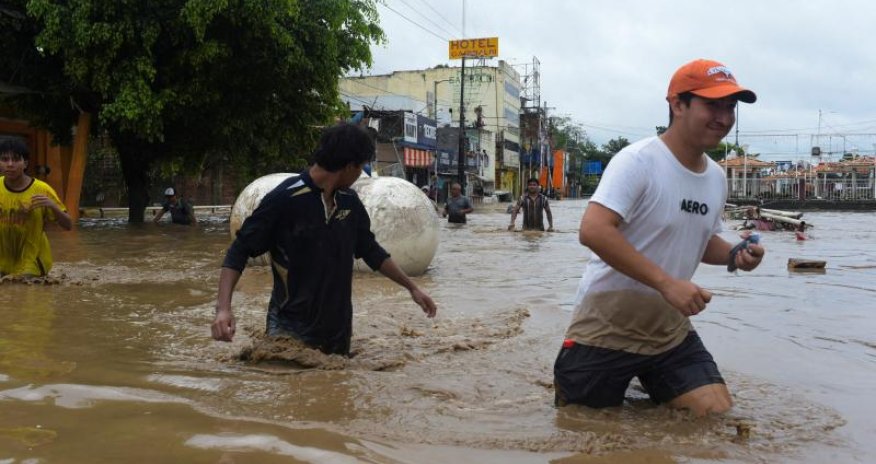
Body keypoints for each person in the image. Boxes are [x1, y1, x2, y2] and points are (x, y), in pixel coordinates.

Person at [554, 59, 766, 416]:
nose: (725, 118)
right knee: (585, 432)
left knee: (715, 417)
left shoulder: (716, 177)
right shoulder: (637, 161)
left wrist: (735, 255)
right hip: (605, 329)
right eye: (713, 104)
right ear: (677, 104)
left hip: (669, 332)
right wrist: (667, 283)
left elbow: (703, 239)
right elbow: (593, 229)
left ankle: (647, 382)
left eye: (731, 107)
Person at [210, 123, 437, 355]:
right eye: (361, 167)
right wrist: (223, 309)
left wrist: (412, 288)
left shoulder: (350, 202)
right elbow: (239, 250)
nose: (360, 174)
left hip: (337, 334)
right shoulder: (285, 199)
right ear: (349, 166)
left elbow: (371, 251)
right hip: (288, 332)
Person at [0, 139, 72, 277]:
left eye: (15, 160)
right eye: (4, 159)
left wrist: (53, 206)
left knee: (26, 293)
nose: (10, 164)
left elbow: (68, 225)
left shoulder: (42, 189)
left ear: (25, 163)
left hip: (33, 261)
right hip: (3, 261)